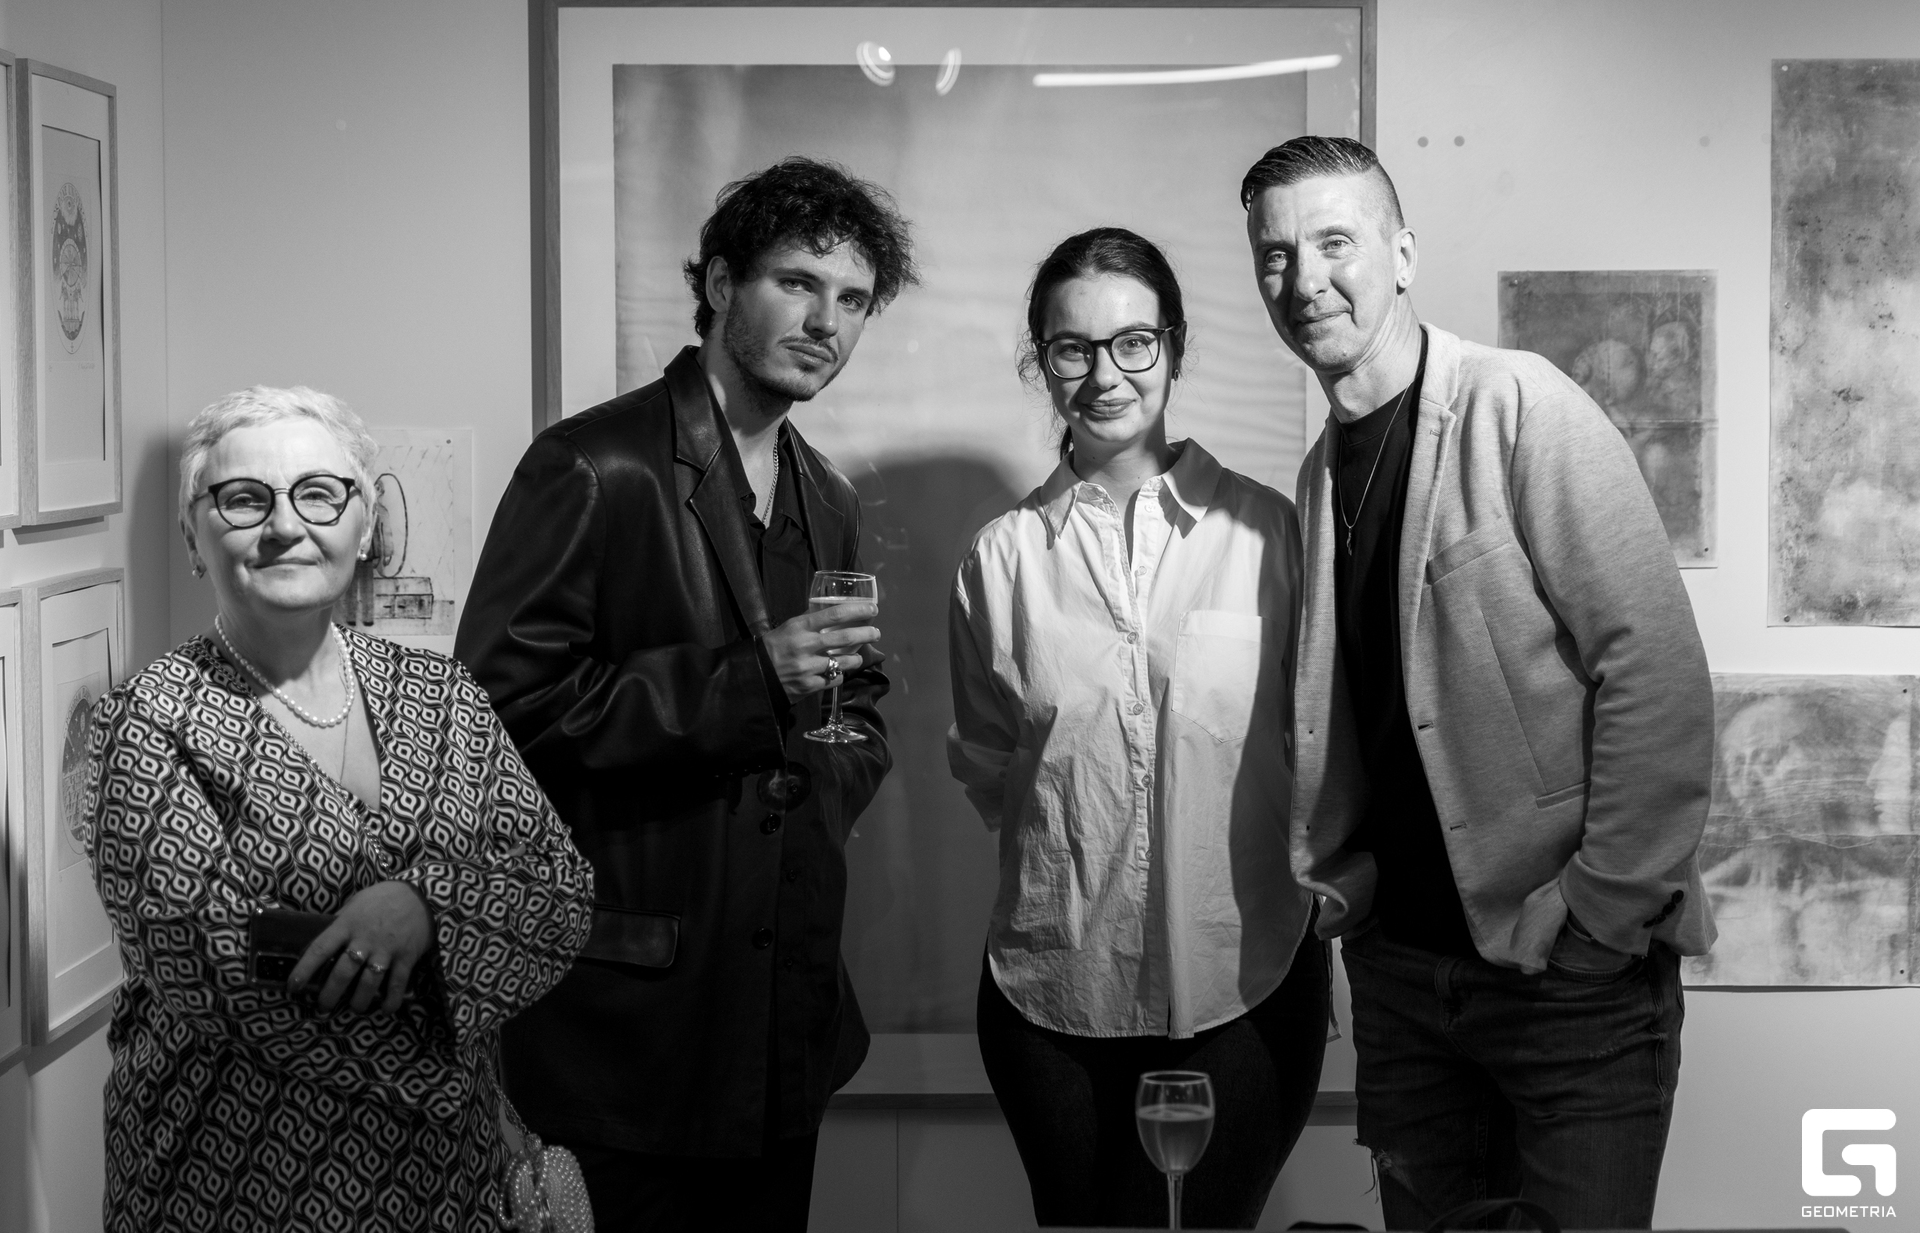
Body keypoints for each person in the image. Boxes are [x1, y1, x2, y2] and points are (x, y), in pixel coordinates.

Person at [1242, 136, 1715, 1229]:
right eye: (1275, 255)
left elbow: (1655, 673)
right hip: (1405, 984)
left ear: (1403, 256)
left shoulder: (1520, 405)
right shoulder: (1317, 474)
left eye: (1335, 242)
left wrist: (1601, 918)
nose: (1306, 280)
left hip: (1567, 984)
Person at [455, 156, 916, 1231]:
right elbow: (499, 713)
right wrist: (753, 681)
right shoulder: (592, 464)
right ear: (717, 283)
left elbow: (854, 697)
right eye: (798, 283)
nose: (827, 322)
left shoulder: (826, 494)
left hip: (783, 1021)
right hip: (628, 1033)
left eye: (853, 300)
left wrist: (836, 774)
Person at [86, 386, 594, 1232]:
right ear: (190, 535)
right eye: (244, 499)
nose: (285, 525)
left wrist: (425, 908)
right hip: (228, 1178)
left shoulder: (439, 692)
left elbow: (559, 890)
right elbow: (207, 960)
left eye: (319, 494)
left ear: (364, 528)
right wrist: (447, 1055)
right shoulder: (147, 719)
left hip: (447, 1186)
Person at [947, 228, 1327, 1229]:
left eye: (1133, 342)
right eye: (1072, 348)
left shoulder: (1270, 534)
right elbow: (991, 766)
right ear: (1042, 361)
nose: (1105, 374)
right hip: (1053, 986)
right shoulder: (998, 560)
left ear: (1175, 347)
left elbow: (1320, 742)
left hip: (1244, 977)